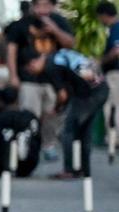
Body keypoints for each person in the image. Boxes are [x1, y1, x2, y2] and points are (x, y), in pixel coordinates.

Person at [23, 48, 111, 178]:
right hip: (100, 89)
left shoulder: (50, 67)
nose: (32, 73)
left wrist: (56, 108)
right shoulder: (56, 56)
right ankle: (83, 169)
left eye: (30, 69)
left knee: (68, 131)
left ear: (33, 62)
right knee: (84, 132)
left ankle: (69, 170)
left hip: (88, 95)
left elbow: (62, 95)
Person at [5, 0, 76, 159]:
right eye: (38, 5)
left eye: (46, 5)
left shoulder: (59, 22)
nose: (42, 9)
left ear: (52, 6)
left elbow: (70, 44)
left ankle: (48, 144)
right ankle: (29, 147)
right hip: (28, 79)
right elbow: (11, 50)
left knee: (53, 114)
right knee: (29, 115)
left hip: (54, 81)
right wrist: (13, 76)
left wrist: (55, 30)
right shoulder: (21, 24)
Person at [102, 2, 119, 137]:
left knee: (114, 106)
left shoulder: (116, 28)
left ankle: (114, 139)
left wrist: (100, 61)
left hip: (115, 73)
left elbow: (116, 51)